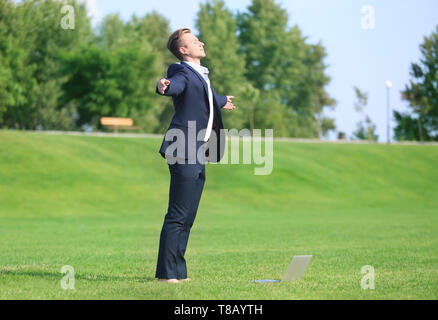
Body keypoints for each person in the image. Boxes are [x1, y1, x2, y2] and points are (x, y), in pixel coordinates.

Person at [155, 28, 236, 283]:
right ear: (183, 50)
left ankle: (177, 272)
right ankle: (167, 274)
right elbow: (175, 85)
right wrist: (162, 86)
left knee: (188, 217)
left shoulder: (201, 76)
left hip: (198, 150)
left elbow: (207, 97)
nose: (200, 42)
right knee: (178, 214)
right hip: (183, 147)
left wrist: (222, 100)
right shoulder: (180, 71)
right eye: (193, 41)